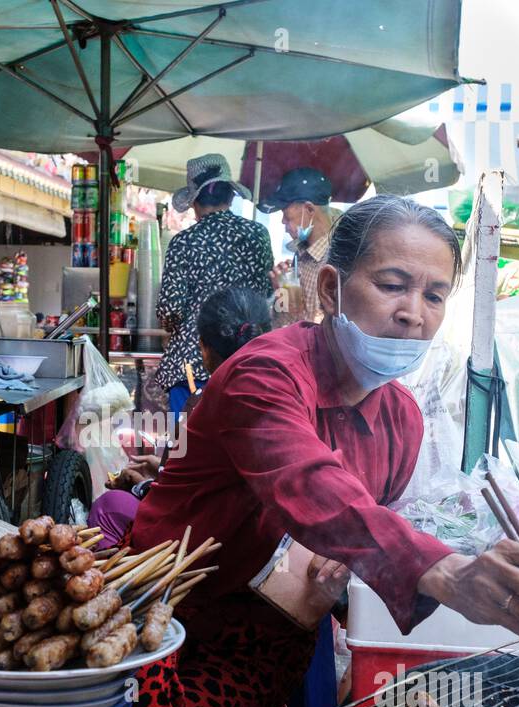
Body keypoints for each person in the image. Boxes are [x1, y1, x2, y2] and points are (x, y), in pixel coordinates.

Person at [129, 195, 519, 707]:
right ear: (329, 289)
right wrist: (444, 572)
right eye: (392, 284)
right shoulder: (264, 373)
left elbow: (358, 530)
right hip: (164, 614)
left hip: (269, 634)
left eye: (434, 295)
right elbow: (309, 484)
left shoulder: (402, 420)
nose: (414, 312)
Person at [89, 287, 273, 549]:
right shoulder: (277, 395)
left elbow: (189, 502)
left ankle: (127, 589)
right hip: (261, 538)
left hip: (204, 544)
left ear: (202, 346)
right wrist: (162, 472)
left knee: (109, 506)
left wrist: (144, 487)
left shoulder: (202, 403)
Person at [155, 154, 273, 417]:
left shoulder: (184, 242)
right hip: (248, 361)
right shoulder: (258, 235)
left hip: (192, 365)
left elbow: (170, 309)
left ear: (194, 201)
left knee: (186, 448)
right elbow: (265, 295)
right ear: (231, 197)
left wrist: (173, 328)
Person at [260, 167, 339, 325]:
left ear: (309, 209)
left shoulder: (340, 259)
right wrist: (284, 293)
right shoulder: (300, 253)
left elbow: (325, 333)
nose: (283, 222)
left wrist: (290, 300)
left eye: (287, 216)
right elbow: (283, 325)